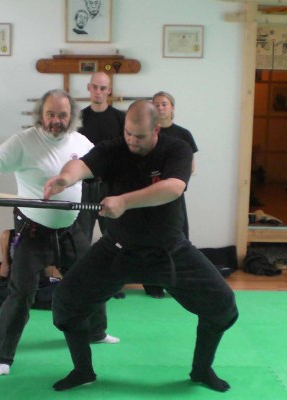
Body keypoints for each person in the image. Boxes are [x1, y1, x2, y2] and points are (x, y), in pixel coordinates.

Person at [44, 100, 238, 393]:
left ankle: (201, 370)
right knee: (66, 301)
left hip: (169, 250)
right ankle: (82, 371)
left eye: (140, 136)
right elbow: (81, 164)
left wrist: (124, 201)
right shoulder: (113, 149)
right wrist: (64, 178)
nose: (132, 141)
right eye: (128, 134)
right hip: (118, 249)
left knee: (222, 304)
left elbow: (173, 188)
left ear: (156, 129)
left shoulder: (177, 149)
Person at [0, 89, 119, 376]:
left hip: (70, 230)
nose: (56, 120)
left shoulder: (81, 142)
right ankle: (0, 355)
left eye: (62, 115)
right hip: (32, 232)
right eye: (51, 114)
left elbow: (105, 168)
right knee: (21, 293)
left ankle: (96, 332)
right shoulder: (24, 141)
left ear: (72, 117)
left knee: (93, 281)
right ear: (40, 115)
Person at [142, 91, 199, 299]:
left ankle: (179, 283)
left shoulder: (183, 135)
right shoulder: (147, 133)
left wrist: (174, 182)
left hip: (174, 196)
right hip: (150, 196)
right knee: (150, 239)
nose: (160, 107)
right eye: (156, 104)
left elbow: (190, 166)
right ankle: (152, 284)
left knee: (178, 237)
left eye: (164, 104)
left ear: (172, 107)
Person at [76, 71, 125, 243]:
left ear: (109, 90)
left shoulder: (121, 119)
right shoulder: (77, 119)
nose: (98, 92)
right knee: (81, 238)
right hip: (83, 185)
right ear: (88, 88)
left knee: (115, 237)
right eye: (95, 87)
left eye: (103, 88)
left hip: (111, 185)